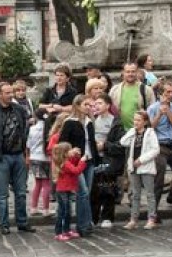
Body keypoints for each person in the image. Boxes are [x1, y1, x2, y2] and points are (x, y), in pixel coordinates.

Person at [0, 81, 35, 235]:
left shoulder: (19, 109)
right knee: (2, 194)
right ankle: (4, 224)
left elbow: (25, 129)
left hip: (18, 155)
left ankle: (22, 222)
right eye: (7, 93)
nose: (10, 95)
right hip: (2, 156)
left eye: (11, 92)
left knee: (21, 192)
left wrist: (25, 151)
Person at [58, 94, 99, 236]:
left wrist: (96, 158)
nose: (88, 107)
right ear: (77, 106)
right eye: (85, 105)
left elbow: (91, 142)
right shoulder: (70, 122)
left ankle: (85, 224)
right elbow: (62, 143)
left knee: (86, 193)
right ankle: (84, 225)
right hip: (77, 161)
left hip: (89, 160)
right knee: (83, 193)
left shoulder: (89, 122)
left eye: (90, 105)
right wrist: (71, 151)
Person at [90, 95, 126, 229]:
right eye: (95, 103)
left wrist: (104, 146)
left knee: (108, 188)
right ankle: (93, 217)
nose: (96, 106)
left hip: (109, 159)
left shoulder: (115, 123)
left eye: (100, 103)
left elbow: (120, 145)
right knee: (94, 190)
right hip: (94, 159)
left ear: (108, 105)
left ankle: (107, 217)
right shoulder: (92, 121)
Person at [120, 110, 159, 229]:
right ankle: (133, 219)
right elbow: (123, 142)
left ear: (145, 121)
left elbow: (155, 150)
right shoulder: (133, 133)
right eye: (134, 119)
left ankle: (151, 218)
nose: (135, 122)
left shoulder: (150, 133)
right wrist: (131, 131)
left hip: (145, 167)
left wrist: (141, 160)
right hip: (133, 168)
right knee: (135, 194)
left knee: (149, 194)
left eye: (138, 120)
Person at [147, 80, 172, 209]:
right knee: (159, 177)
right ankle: (153, 210)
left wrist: (167, 112)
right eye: (168, 92)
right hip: (159, 146)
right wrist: (159, 114)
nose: (171, 94)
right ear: (161, 94)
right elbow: (150, 127)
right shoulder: (152, 108)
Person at [51, 142, 86, 242]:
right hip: (62, 191)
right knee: (62, 212)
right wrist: (82, 161)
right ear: (65, 153)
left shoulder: (66, 161)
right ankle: (58, 232)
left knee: (68, 212)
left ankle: (66, 230)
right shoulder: (65, 163)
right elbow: (76, 170)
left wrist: (77, 156)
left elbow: (74, 162)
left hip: (67, 190)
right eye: (70, 150)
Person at [110, 61, 155, 130]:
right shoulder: (114, 90)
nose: (130, 74)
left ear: (137, 72)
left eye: (133, 71)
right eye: (127, 72)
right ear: (123, 73)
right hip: (120, 131)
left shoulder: (146, 90)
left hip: (139, 131)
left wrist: (146, 113)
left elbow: (153, 110)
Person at [26, 119, 51, 217]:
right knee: (46, 184)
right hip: (45, 158)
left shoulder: (32, 128)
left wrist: (28, 156)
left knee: (37, 184)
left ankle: (33, 207)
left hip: (34, 157)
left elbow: (28, 144)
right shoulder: (48, 129)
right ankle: (46, 209)